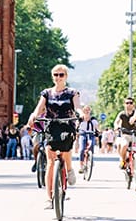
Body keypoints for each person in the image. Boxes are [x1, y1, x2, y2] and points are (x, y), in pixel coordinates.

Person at [27, 64, 81, 209]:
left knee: (65, 152)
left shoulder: (72, 92)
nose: (58, 77)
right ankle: (49, 198)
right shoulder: (47, 93)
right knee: (50, 162)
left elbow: (77, 107)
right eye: (56, 74)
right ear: (52, 76)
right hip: (51, 126)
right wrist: (33, 117)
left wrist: (80, 114)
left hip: (67, 125)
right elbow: (39, 109)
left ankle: (68, 169)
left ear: (66, 76)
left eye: (61, 75)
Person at [114, 97, 136, 169]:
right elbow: (116, 122)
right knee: (124, 145)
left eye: (131, 103)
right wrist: (116, 126)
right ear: (124, 104)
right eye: (127, 103)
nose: (129, 104)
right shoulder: (122, 114)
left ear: (133, 105)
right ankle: (123, 161)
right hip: (125, 135)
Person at [77, 104, 99, 173]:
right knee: (82, 149)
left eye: (88, 110)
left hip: (91, 134)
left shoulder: (93, 119)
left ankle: (90, 158)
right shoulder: (80, 119)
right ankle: (81, 165)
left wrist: (98, 131)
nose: (87, 111)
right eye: (85, 110)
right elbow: (76, 127)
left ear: (90, 111)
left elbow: (97, 127)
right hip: (82, 134)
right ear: (83, 111)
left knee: (92, 145)